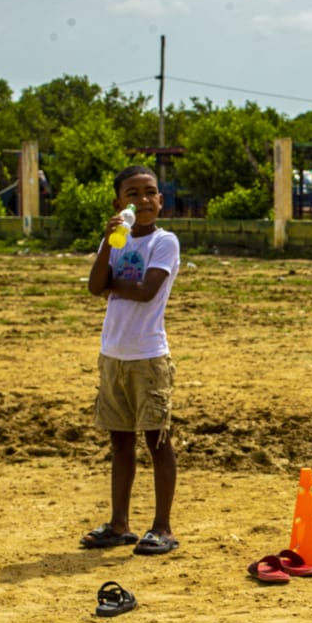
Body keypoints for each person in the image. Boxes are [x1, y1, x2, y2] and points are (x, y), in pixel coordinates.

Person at [80, 164, 181, 555]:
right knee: (120, 442)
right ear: (118, 202)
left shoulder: (164, 242)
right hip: (113, 355)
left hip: (147, 357)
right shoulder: (118, 240)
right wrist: (107, 243)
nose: (142, 200)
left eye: (150, 192)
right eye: (133, 194)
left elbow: (146, 291)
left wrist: (113, 285)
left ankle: (163, 527)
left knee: (158, 441)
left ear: (160, 200)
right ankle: (119, 524)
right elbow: (94, 287)